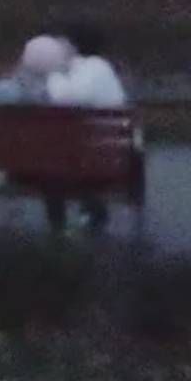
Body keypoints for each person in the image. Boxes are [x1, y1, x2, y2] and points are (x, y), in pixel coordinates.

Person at [0, 35, 75, 227]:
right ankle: (59, 226)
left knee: (8, 154)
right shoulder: (60, 94)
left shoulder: (4, 89)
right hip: (50, 170)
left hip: (12, 165)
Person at [45, 25, 127, 232]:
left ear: (73, 46)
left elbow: (65, 99)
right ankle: (90, 214)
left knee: (49, 161)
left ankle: (62, 225)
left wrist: (54, 74)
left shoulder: (89, 69)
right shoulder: (100, 68)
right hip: (108, 152)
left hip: (91, 157)